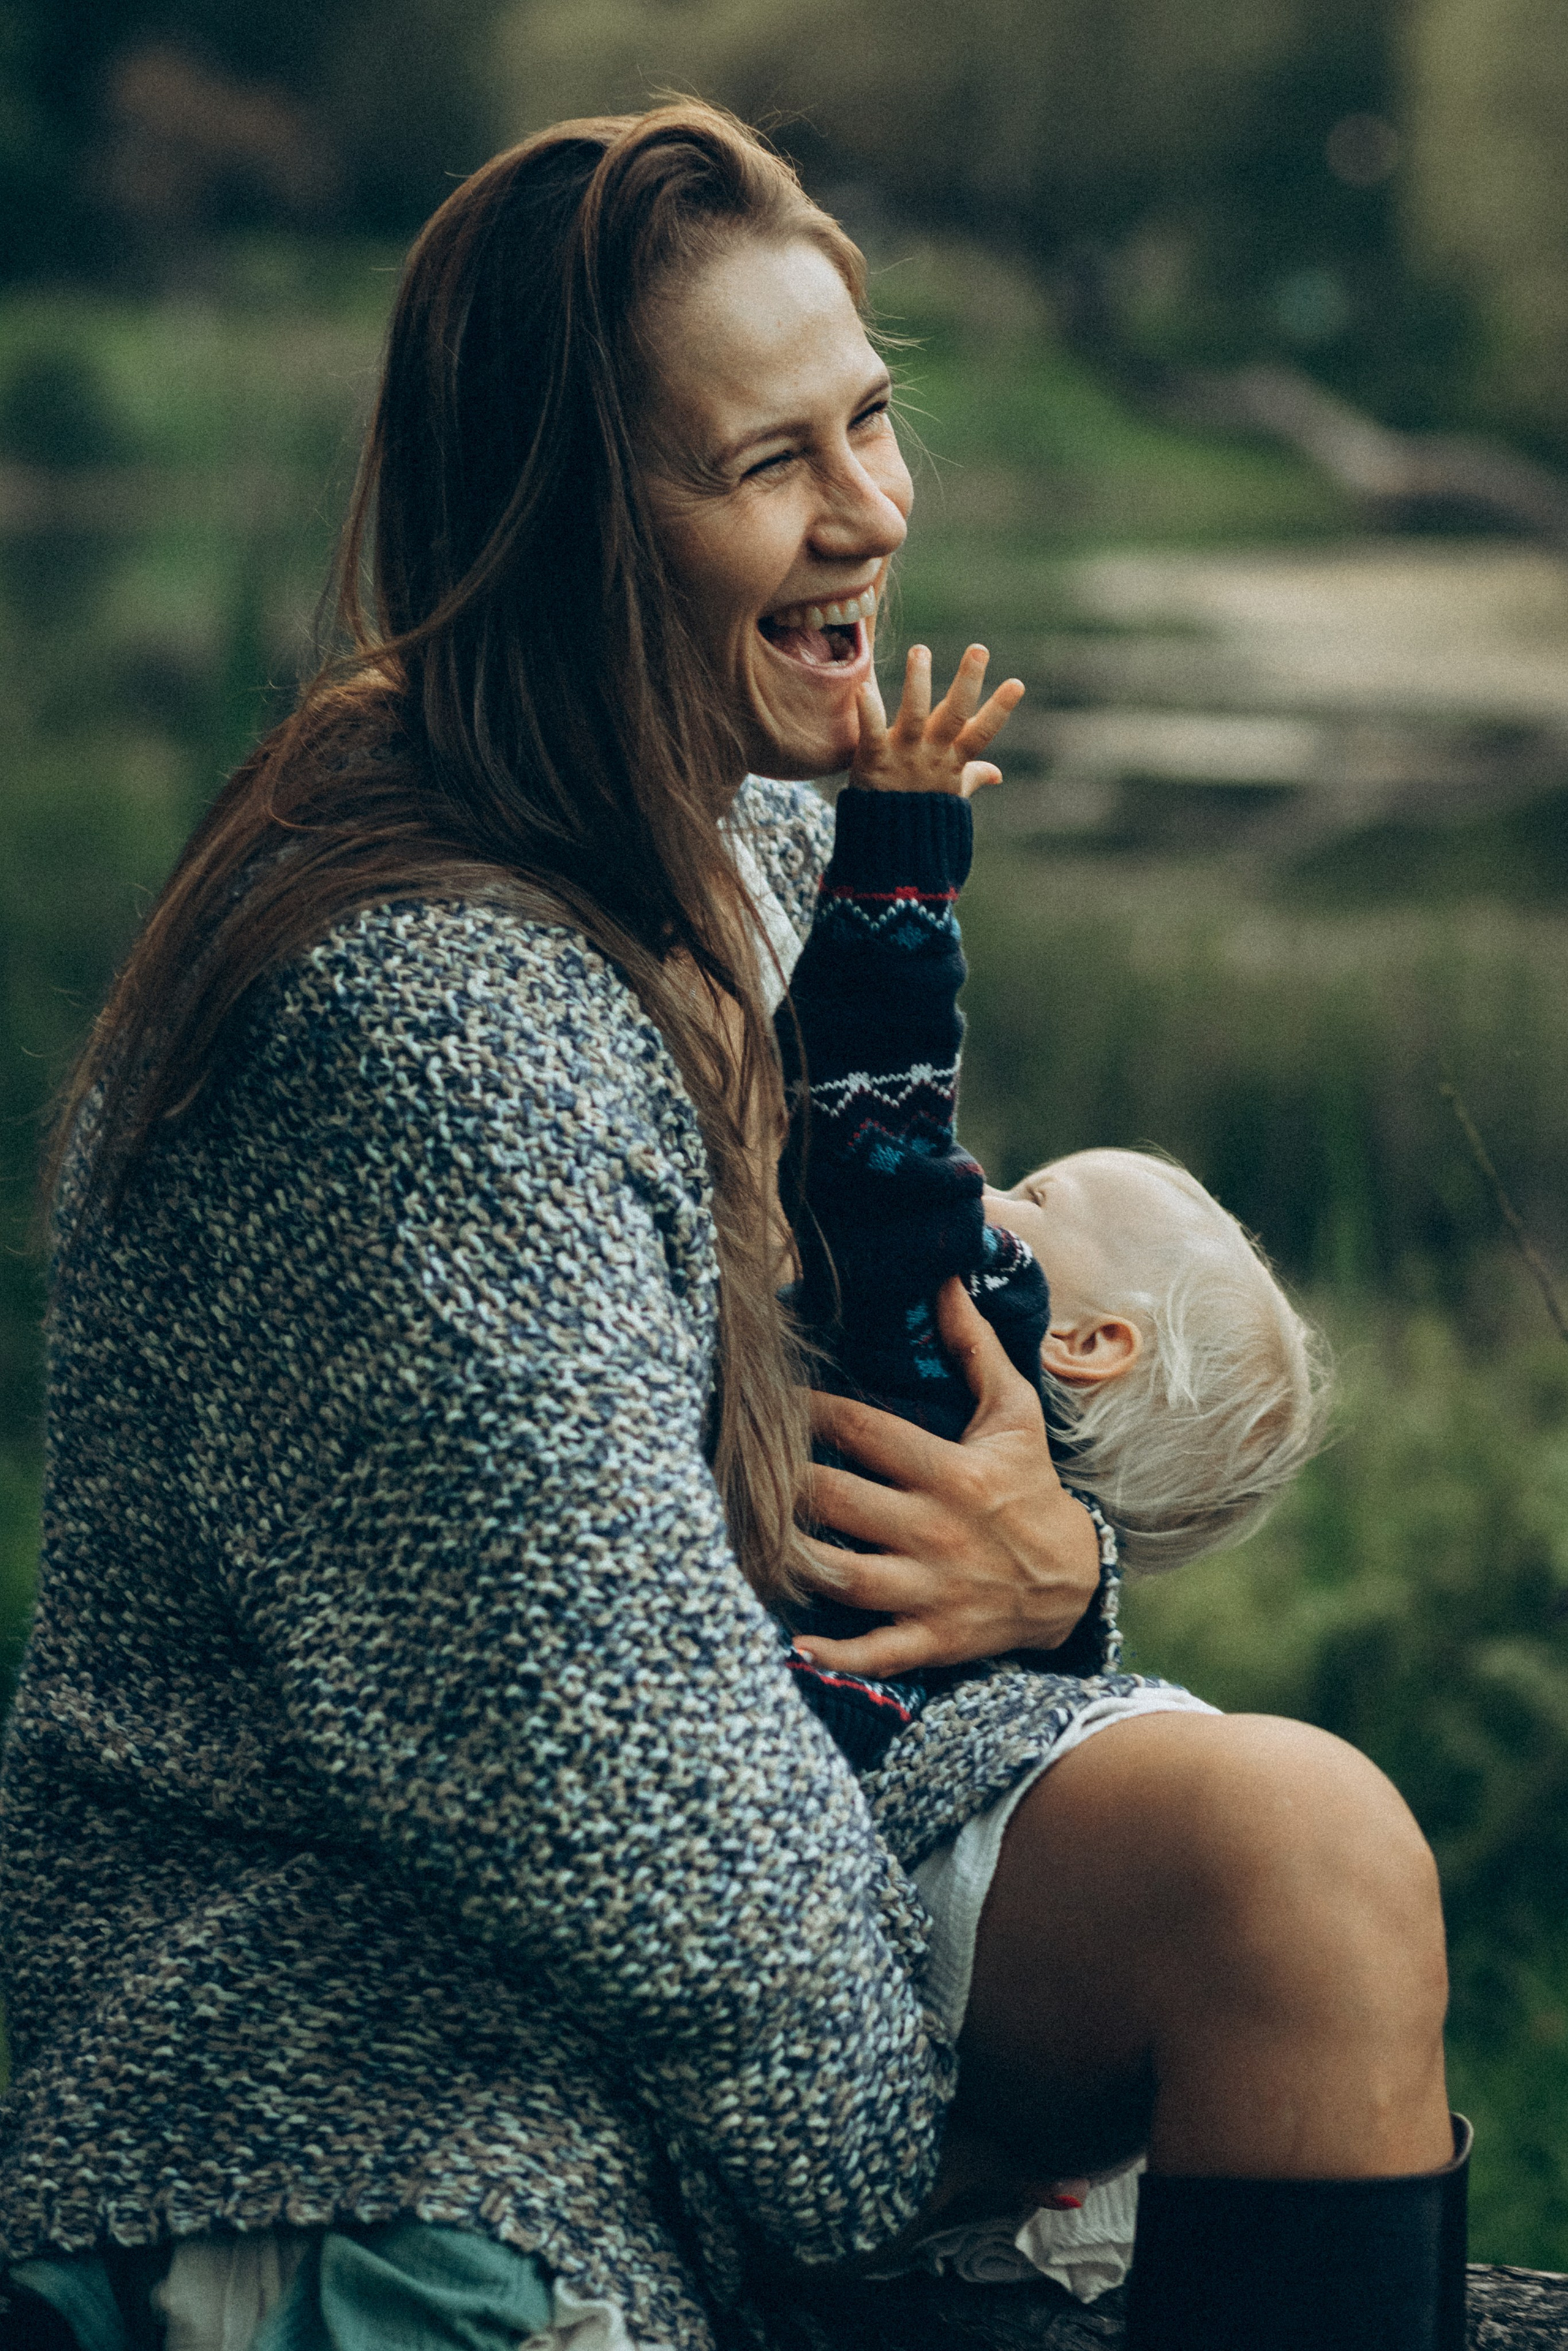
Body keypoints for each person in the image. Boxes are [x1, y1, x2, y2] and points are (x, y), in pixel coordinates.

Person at [0, 104, 1463, 2351]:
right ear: (573, 522)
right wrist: (897, 2170)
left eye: (870, 417)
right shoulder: (426, 1018)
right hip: (372, 2110)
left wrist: (1055, 1578)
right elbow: (604, 1760)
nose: (870, 509)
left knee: (1309, 1862)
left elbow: (826, 1393)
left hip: (735, 1871)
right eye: (770, 460)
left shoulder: (729, 844)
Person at [773, 644, 1329, 1779]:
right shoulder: (1006, 1616)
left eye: (1032, 1196)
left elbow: (879, 1103)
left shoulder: (942, 1328)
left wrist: (905, 851)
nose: (978, 1187)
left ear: (1087, 1343)